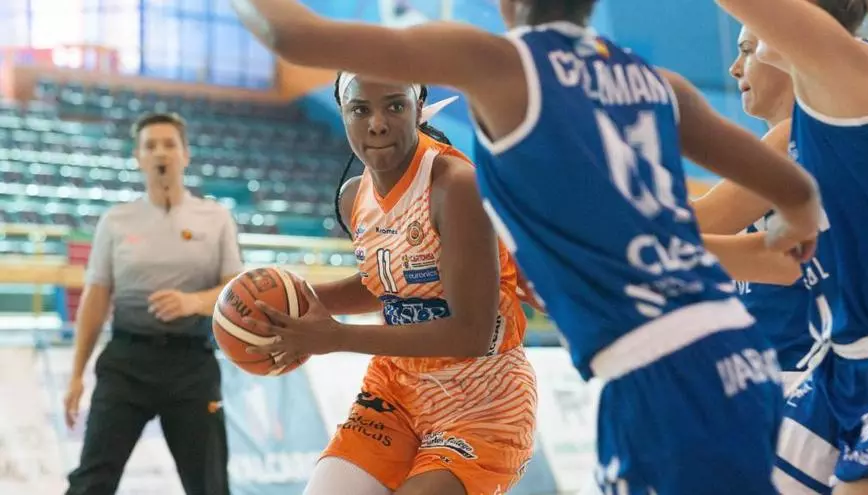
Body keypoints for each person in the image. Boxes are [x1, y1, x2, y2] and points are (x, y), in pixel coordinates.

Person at [231, 0, 822, 492]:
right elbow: (795, 190)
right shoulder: (654, 82)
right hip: (734, 352)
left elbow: (292, 34)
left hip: (653, 368)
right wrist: (789, 232)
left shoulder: (501, 67)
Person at [246, 73, 535, 495]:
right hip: (395, 392)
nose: (377, 123)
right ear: (344, 115)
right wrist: (291, 302)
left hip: (483, 401)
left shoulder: (456, 186)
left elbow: (471, 332)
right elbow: (386, 285)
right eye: (360, 109)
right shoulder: (354, 196)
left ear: (418, 109)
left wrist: (336, 337)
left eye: (395, 106)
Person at [714, 0, 868, 494]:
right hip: (841, 360)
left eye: (749, 44)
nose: (737, 64)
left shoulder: (850, 73)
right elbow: (786, 258)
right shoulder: (810, 120)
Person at [63, 112, 241, 495]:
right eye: (150, 146)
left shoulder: (216, 218)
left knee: (210, 486)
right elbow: (96, 296)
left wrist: (193, 301)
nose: (161, 152)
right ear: (138, 157)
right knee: (91, 481)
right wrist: (77, 374)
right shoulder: (115, 221)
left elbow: (235, 290)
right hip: (126, 363)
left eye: (169, 144)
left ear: (185, 154)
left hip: (192, 365)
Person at [693, 26, 837, 495]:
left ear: (788, 49)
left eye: (748, 50)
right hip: (786, 378)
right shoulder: (805, 137)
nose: (735, 67)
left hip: (804, 378)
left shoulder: (804, 132)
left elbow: (698, 228)